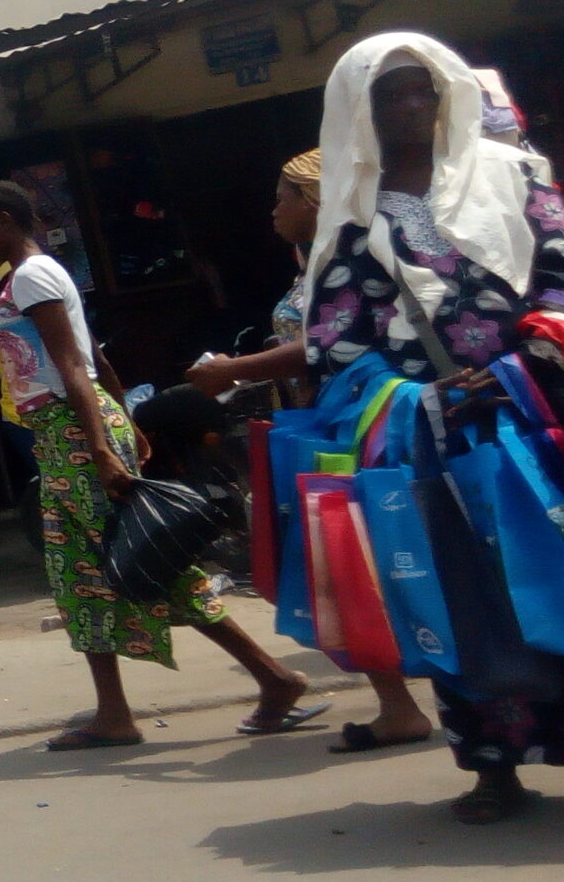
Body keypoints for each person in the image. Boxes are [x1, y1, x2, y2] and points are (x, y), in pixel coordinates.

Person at [292, 32, 564, 822]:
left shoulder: (514, 176)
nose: (412, 104)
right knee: (466, 598)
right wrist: (416, 399)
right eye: (390, 94)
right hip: (437, 442)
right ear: (361, 110)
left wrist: (523, 367)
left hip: (541, 419)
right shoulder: (351, 218)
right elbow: (335, 347)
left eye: (423, 88)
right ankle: (493, 765)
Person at [0, 181, 319, 750]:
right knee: (80, 572)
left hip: (72, 428)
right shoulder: (38, 274)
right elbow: (96, 355)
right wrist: (124, 420)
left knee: (147, 556)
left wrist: (103, 445)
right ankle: (115, 712)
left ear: (5, 220)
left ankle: (273, 676)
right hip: (69, 430)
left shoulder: (31, 277)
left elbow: (71, 364)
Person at [187, 148, 438, 756]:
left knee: (360, 558)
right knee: (345, 562)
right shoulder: (321, 261)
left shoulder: (350, 258)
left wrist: (233, 370)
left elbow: (330, 347)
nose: (274, 210)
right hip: (333, 419)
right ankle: (397, 705)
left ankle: (416, 702)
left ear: (316, 198)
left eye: (284, 196)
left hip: (366, 423)